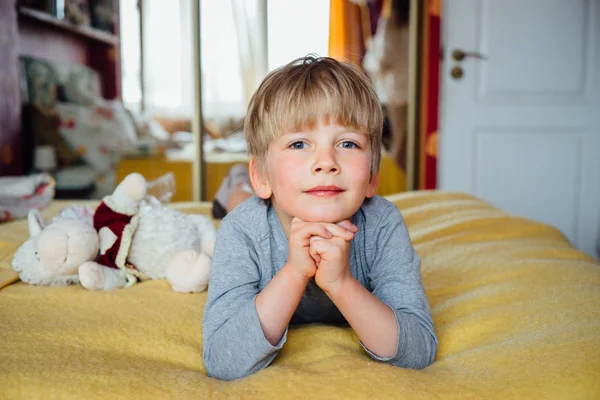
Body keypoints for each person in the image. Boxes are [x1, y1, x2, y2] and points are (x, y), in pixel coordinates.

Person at [202, 55, 437, 381]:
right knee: (240, 203)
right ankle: (238, 182)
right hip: (251, 203)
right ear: (264, 176)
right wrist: (294, 272)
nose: (325, 162)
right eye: (299, 143)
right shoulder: (240, 232)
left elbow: (419, 348)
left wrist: (341, 284)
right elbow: (222, 359)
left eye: (347, 143)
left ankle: (240, 181)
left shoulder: (383, 224)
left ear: (372, 176)